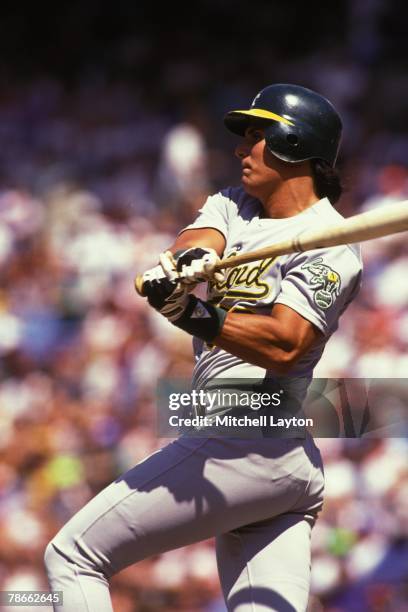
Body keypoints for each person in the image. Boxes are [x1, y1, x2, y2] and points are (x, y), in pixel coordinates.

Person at [44, 84, 362, 611]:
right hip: (263, 461)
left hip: (253, 434)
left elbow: (286, 344)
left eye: (257, 136)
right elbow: (197, 240)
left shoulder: (332, 241)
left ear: (293, 144)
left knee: (72, 557)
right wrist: (183, 264)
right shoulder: (237, 203)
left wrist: (195, 313)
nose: (242, 148)